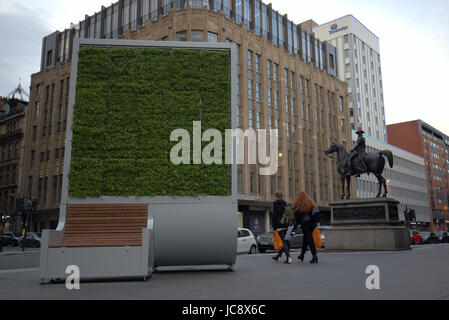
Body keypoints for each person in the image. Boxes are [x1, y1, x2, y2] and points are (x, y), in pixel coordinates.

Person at [293, 191, 318, 264]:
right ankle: (302, 254)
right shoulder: (310, 202)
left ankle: (314, 255)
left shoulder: (300, 204)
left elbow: (297, 216)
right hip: (312, 223)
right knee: (306, 239)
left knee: (309, 239)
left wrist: (295, 225)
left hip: (305, 224)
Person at [271, 192, 292, 264]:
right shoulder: (285, 203)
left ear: (276, 196)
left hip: (279, 225)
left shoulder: (274, 204)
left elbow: (274, 216)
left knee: (283, 241)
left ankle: (288, 257)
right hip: (285, 224)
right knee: (284, 241)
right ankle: (278, 256)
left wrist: (274, 227)